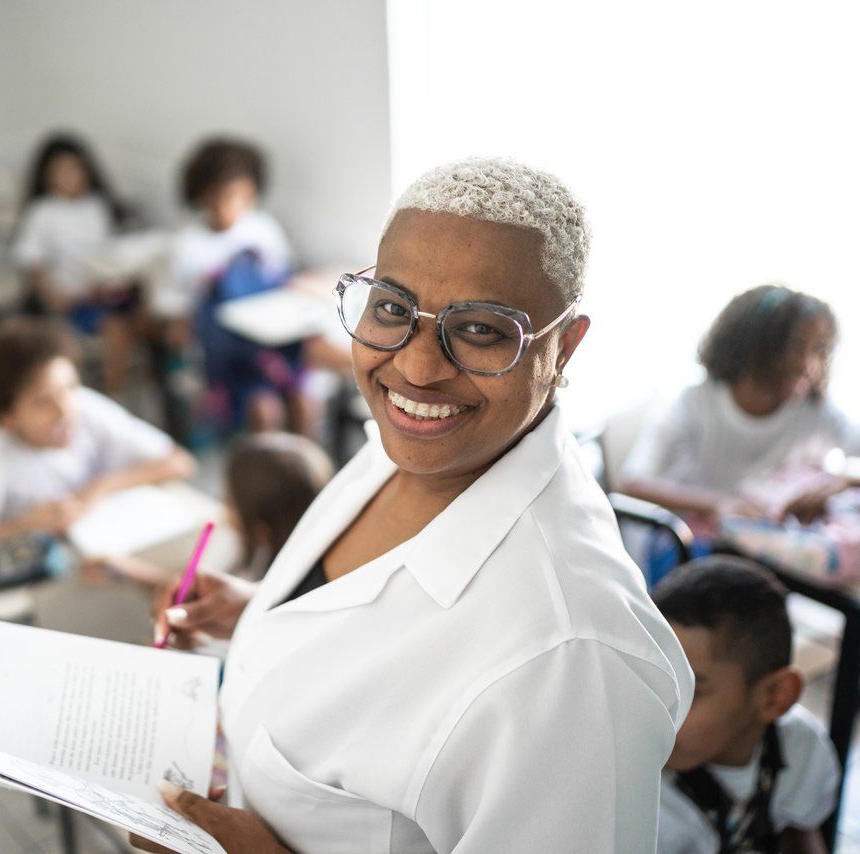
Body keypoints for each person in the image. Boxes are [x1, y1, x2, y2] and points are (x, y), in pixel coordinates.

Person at [139, 157, 692, 853]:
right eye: (394, 309)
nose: (417, 367)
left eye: (482, 329)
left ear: (565, 345)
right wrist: (268, 614)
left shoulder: (571, 666)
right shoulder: (404, 448)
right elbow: (395, 643)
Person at [0, 318, 194, 577]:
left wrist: (96, 490)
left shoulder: (84, 408)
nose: (64, 410)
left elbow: (179, 462)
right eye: (43, 402)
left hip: (111, 558)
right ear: (7, 418)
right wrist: (26, 527)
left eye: (69, 388)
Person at [621, 285, 857, 530]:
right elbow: (634, 480)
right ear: (754, 343)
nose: (808, 366)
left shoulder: (815, 412)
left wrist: (842, 482)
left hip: (771, 548)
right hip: (693, 545)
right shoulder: (697, 403)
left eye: (820, 349)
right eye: (795, 346)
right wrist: (718, 504)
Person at [652, 557, 838, 853]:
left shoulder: (800, 746)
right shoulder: (640, 789)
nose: (657, 712)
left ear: (775, 696)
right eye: (651, 681)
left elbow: (800, 832)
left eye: (691, 690)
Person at [153, 137, 307, 434]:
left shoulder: (262, 230)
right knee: (265, 410)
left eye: (244, 197)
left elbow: (284, 280)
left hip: (270, 345)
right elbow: (170, 314)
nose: (235, 207)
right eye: (225, 196)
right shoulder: (186, 246)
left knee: (304, 399)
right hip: (224, 358)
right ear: (203, 194)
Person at [86, 431, 334, 590]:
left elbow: (187, 595)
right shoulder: (237, 541)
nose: (222, 507)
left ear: (261, 532)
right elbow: (185, 588)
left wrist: (126, 568)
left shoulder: (251, 581)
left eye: (228, 501)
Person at [15, 133, 136, 393]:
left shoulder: (96, 205)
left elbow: (110, 251)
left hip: (106, 287)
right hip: (74, 296)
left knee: (149, 314)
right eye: (62, 172)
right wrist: (50, 293)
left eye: (77, 170)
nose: (72, 178)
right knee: (117, 328)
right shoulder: (43, 212)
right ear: (47, 176)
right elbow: (30, 261)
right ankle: (113, 391)